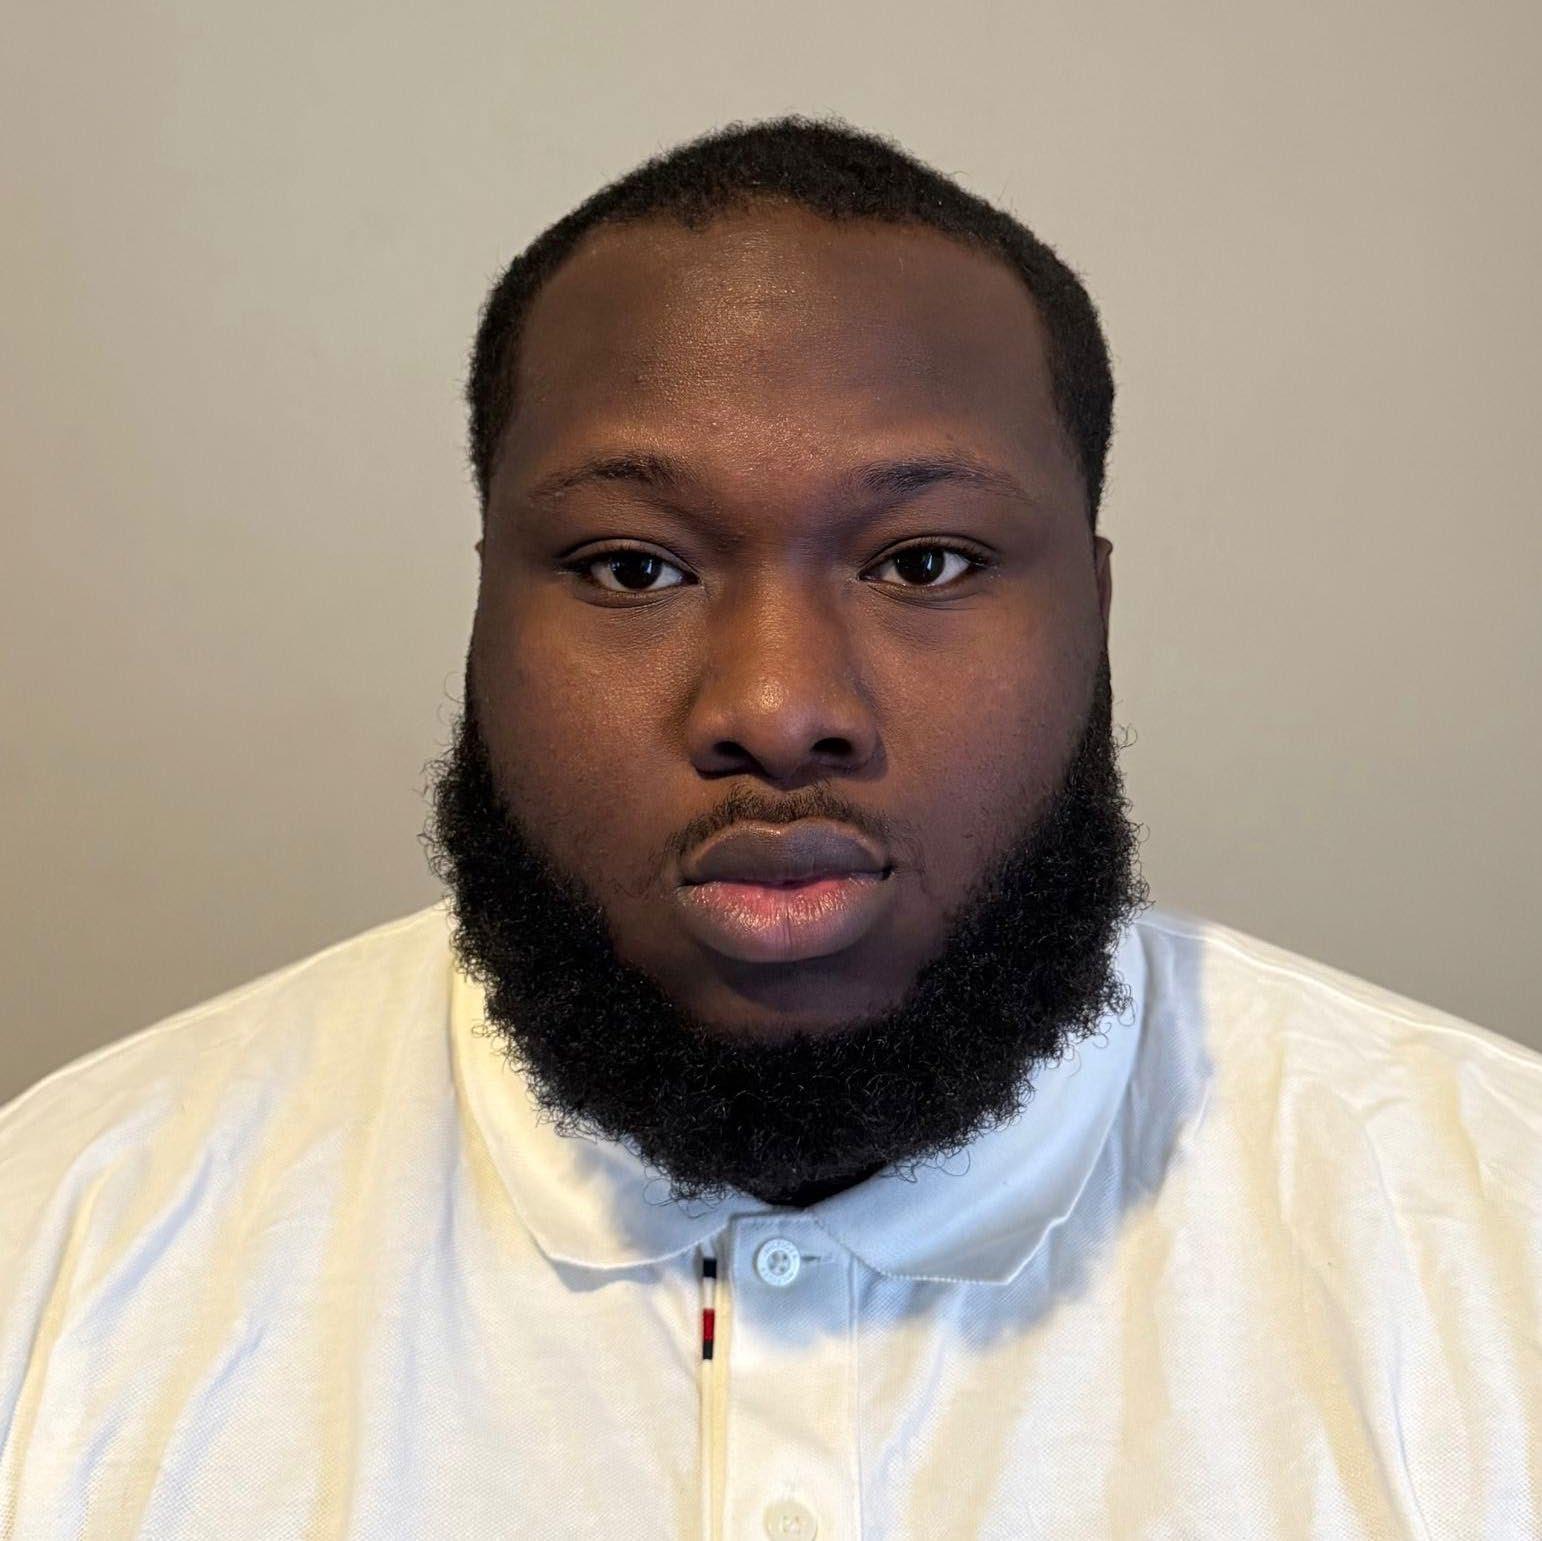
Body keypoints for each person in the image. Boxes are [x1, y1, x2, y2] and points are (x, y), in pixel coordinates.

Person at [2, 116, 1537, 1539]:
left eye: (925, 562)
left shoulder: (1491, 1235)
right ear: (483, 609)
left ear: (1097, 609)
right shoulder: (59, 1247)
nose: (776, 706)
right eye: (631, 567)